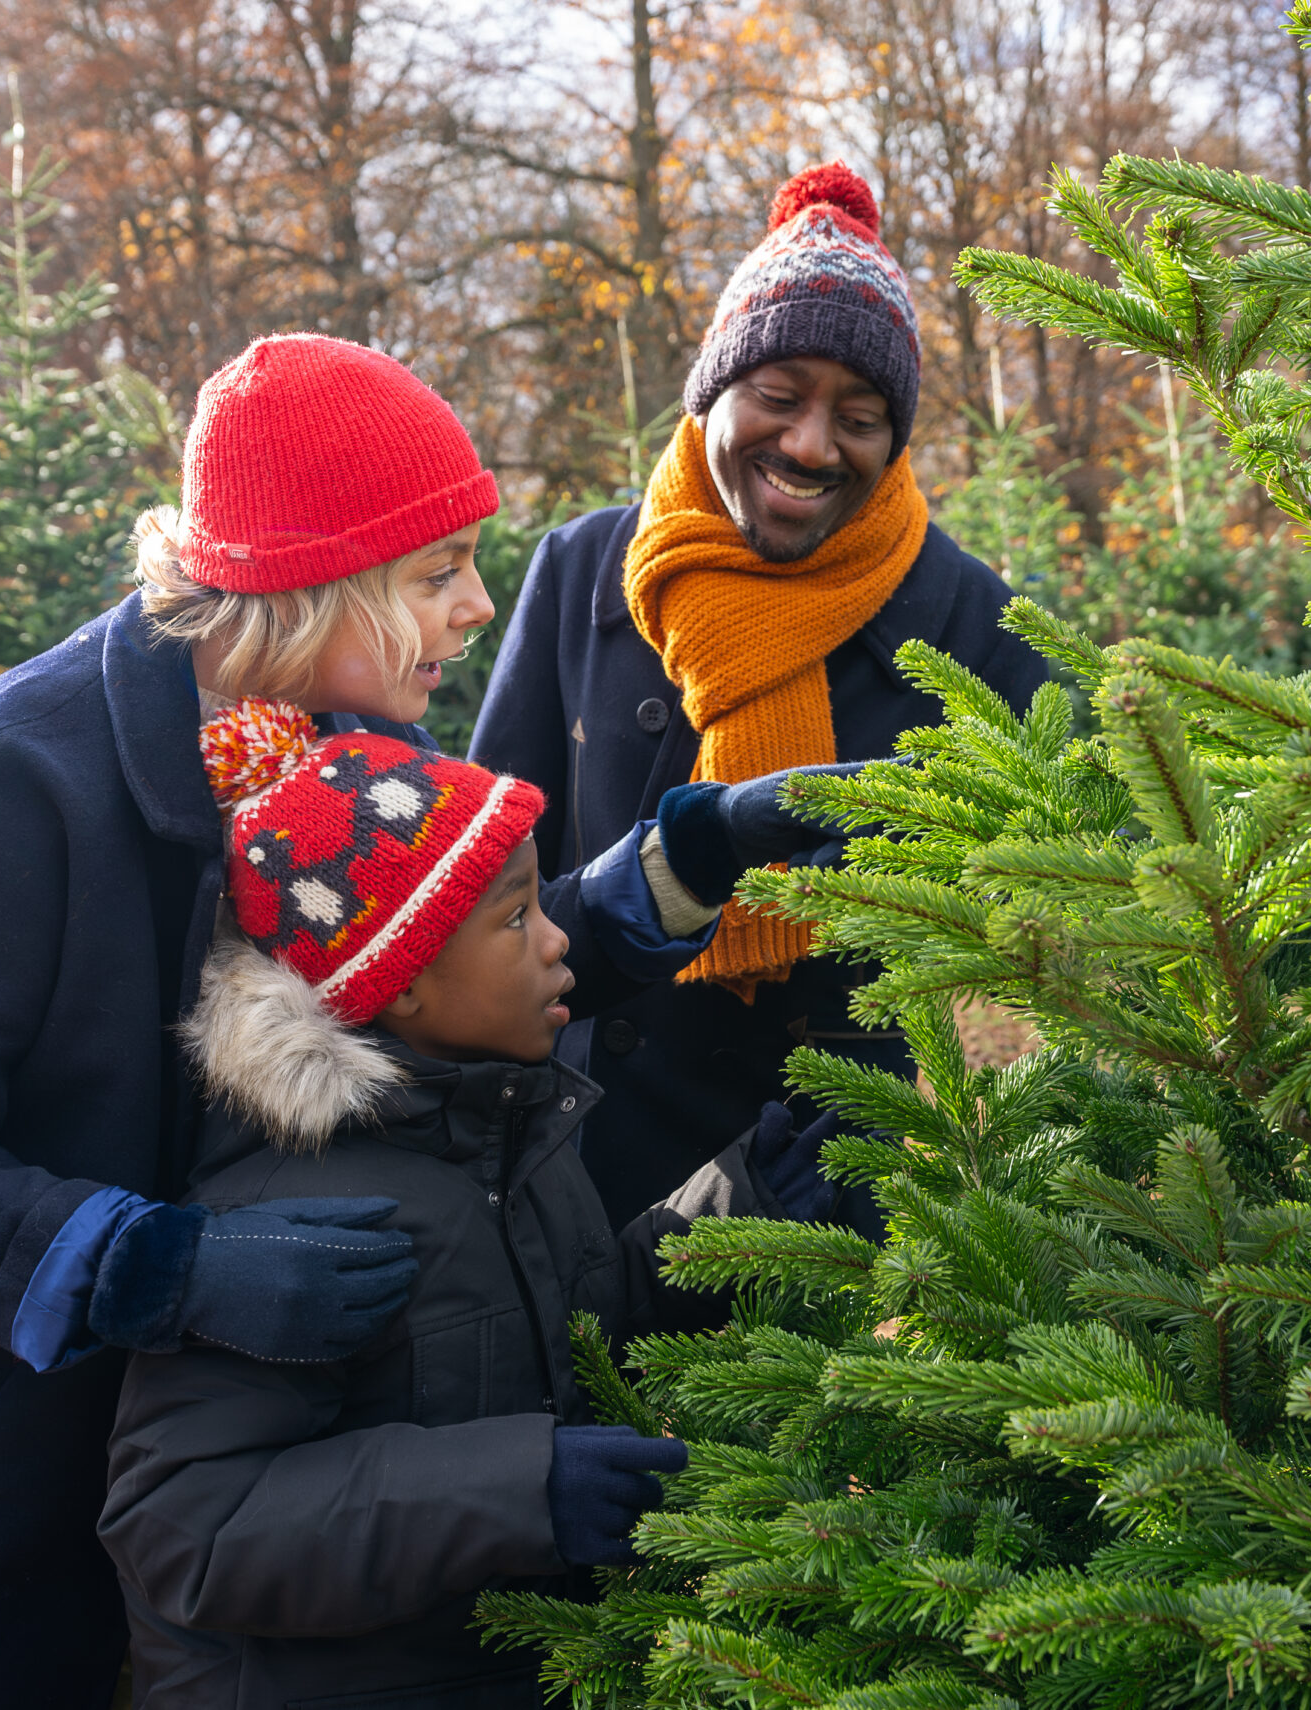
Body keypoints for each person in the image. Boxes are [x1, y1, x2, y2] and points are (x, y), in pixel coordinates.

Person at [0, 336, 735, 1710]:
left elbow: (445, 956)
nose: (480, 606)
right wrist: (163, 1268)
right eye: (436, 574)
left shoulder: (352, 740)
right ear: (313, 586)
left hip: (210, 1475)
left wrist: (679, 870)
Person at [99, 711, 836, 1707]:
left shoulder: (498, 1128)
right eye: (515, 917)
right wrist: (519, 1489)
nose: (556, 939)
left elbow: (554, 1326)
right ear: (400, 985)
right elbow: (185, 1526)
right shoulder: (285, 1213)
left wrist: (723, 1220)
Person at [471, 161, 1049, 1227]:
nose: (812, 445)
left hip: (810, 1173)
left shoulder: (963, 614)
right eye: (777, 399)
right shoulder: (586, 569)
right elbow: (479, 892)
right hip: (577, 1145)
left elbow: (1124, 816)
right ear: (713, 394)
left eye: (861, 417)